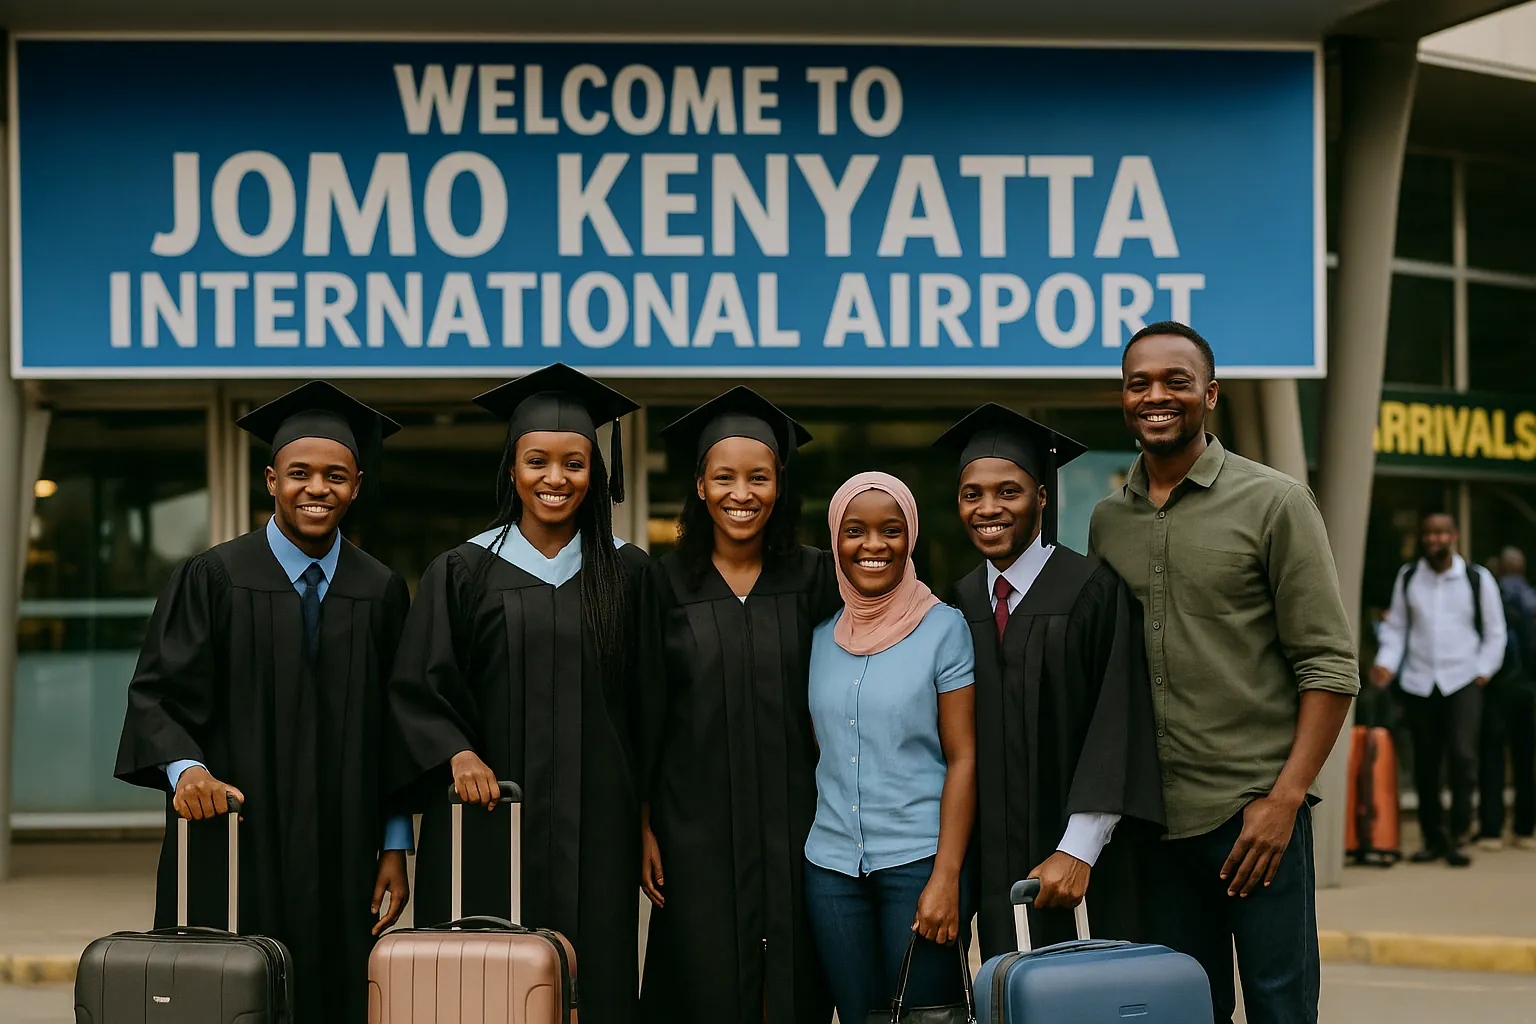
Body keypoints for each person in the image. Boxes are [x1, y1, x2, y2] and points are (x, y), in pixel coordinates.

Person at [115, 382, 411, 1024]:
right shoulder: (214, 577)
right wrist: (184, 770)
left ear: (356, 486)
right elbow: (157, 693)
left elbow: (395, 725)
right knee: (223, 996)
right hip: (232, 838)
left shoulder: (380, 590)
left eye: (335, 476)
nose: (317, 489)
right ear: (270, 479)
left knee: (332, 996)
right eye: (300, 474)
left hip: (343, 844)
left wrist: (394, 845)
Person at [1089, 321, 1358, 1024]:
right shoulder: (1105, 520)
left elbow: (1329, 665)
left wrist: (1284, 801)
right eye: (1138, 382)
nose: (1156, 395)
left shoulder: (1275, 501)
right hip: (1155, 825)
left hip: (1253, 815)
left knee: (1280, 1008)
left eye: (1176, 381)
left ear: (1209, 395)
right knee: (1185, 1012)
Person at [385, 363, 647, 1024]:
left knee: (598, 981)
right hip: (484, 820)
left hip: (601, 825)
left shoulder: (630, 573)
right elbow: (418, 686)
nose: (555, 478)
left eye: (574, 463)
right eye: (537, 461)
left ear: (597, 474)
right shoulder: (463, 572)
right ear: (511, 469)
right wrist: (455, 754)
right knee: (480, 984)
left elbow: (655, 709)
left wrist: (648, 819)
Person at [637, 386, 838, 1024]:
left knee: (798, 984)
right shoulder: (661, 585)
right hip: (692, 826)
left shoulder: (818, 578)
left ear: (780, 486)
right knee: (699, 983)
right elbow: (641, 711)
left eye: (759, 477)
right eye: (724, 477)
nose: (741, 493)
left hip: (801, 824)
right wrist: (642, 822)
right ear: (699, 486)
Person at [933, 404, 1164, 957]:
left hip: (1081, 871)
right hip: (992, 871)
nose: (989, 508)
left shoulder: (1092, 592)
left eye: (1008, 491)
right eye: (972, 494)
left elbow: (1117, 722)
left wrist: (1078, 850)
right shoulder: (957, 603)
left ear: (1041, 497)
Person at [802, 472, 977, 1022]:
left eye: (891, 530)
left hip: (919, 865)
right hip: (830, 870)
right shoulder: (818, 639)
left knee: (925, 1016)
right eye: (855, 531)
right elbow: (821, 751)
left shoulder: (944, 628)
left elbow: (964, 757)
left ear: (912, 537)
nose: (873, 546)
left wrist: (947, 877)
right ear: (835, 539)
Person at [1370, 513, 1506, 867]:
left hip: (1463, 680)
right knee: (1426, 764)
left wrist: (1482, 671)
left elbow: (1495, 632)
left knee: (1462, 757)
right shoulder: (1409, 576)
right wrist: (1386, 662)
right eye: (1429, 533)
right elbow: (1397, 628)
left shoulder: (1477, 579)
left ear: (1454, 536)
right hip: (1419, 681)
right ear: (1422, 537)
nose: (1435, 539)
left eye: (1442, 532)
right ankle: (1432, 838)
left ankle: (1459, 834)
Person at [1477, 547, 1536, 852]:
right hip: (1528, 688)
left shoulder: (1495, 596)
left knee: (1492, 756)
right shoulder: (1531, 598)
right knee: (1526, 759)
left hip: (1499, 688)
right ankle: (1525, 829)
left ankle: (1491, 829)